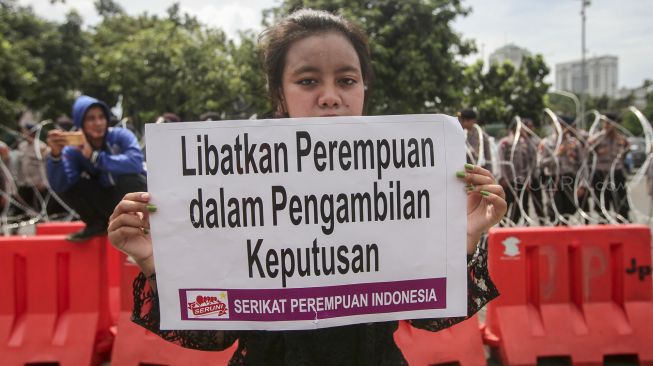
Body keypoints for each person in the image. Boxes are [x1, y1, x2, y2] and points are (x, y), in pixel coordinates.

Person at [108, 9, 506, 365]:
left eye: (347, 80)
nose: (330, 97)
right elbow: (213, 333)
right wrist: (158, 265)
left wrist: (465, 237)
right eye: (308, 80)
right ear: (279, 93)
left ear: (363, 88)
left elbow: (430, 315)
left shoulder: (410, 178)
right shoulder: (228, 186)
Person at [46, 95, 147, 241]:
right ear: (81, 122)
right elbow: (61, 185)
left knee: (129, 178)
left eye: (101, 117)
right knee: (74, 185)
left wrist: (95, 157)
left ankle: (141, 223)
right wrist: (55, 156)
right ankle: (96, 225)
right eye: (91, 119)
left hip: (137, 199)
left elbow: (135, 163)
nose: (98, 123)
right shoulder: (74, 150)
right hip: (109, 201)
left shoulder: (121, 136)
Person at [539, 117, 587, 223]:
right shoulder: (546, 143)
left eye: (564, 125)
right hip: (552, 178)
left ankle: (565, 231)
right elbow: (541, 164)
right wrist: (556, 154)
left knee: (569, 208)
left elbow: (583, 165)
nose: (562, 128)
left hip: (569, 178)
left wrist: (582, 184)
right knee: (554, 208)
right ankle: (556, 232)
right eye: (559, 125)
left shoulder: (575, 143)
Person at [587, 112, 630, 223]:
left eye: (609, 123)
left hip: (616, 173)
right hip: (600, 173)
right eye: (605, 122)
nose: (606, 125)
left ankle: (622, 224)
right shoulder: (597, 138)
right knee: (602, 204)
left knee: (621, 203)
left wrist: (625, 151)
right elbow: (588, 152)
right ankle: (603, 226)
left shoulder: (622, 139)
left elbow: (626, 152)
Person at [498, 118, 537, 224]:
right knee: (506, 205)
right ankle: (502, 228)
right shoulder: (505, 142)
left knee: (520, 206)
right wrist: (503, 178)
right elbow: (501, 162)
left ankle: (512, 226)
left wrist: (528, 179)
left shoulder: (524, 143)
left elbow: (533, 157)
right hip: (509, 181)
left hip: (522, 181)